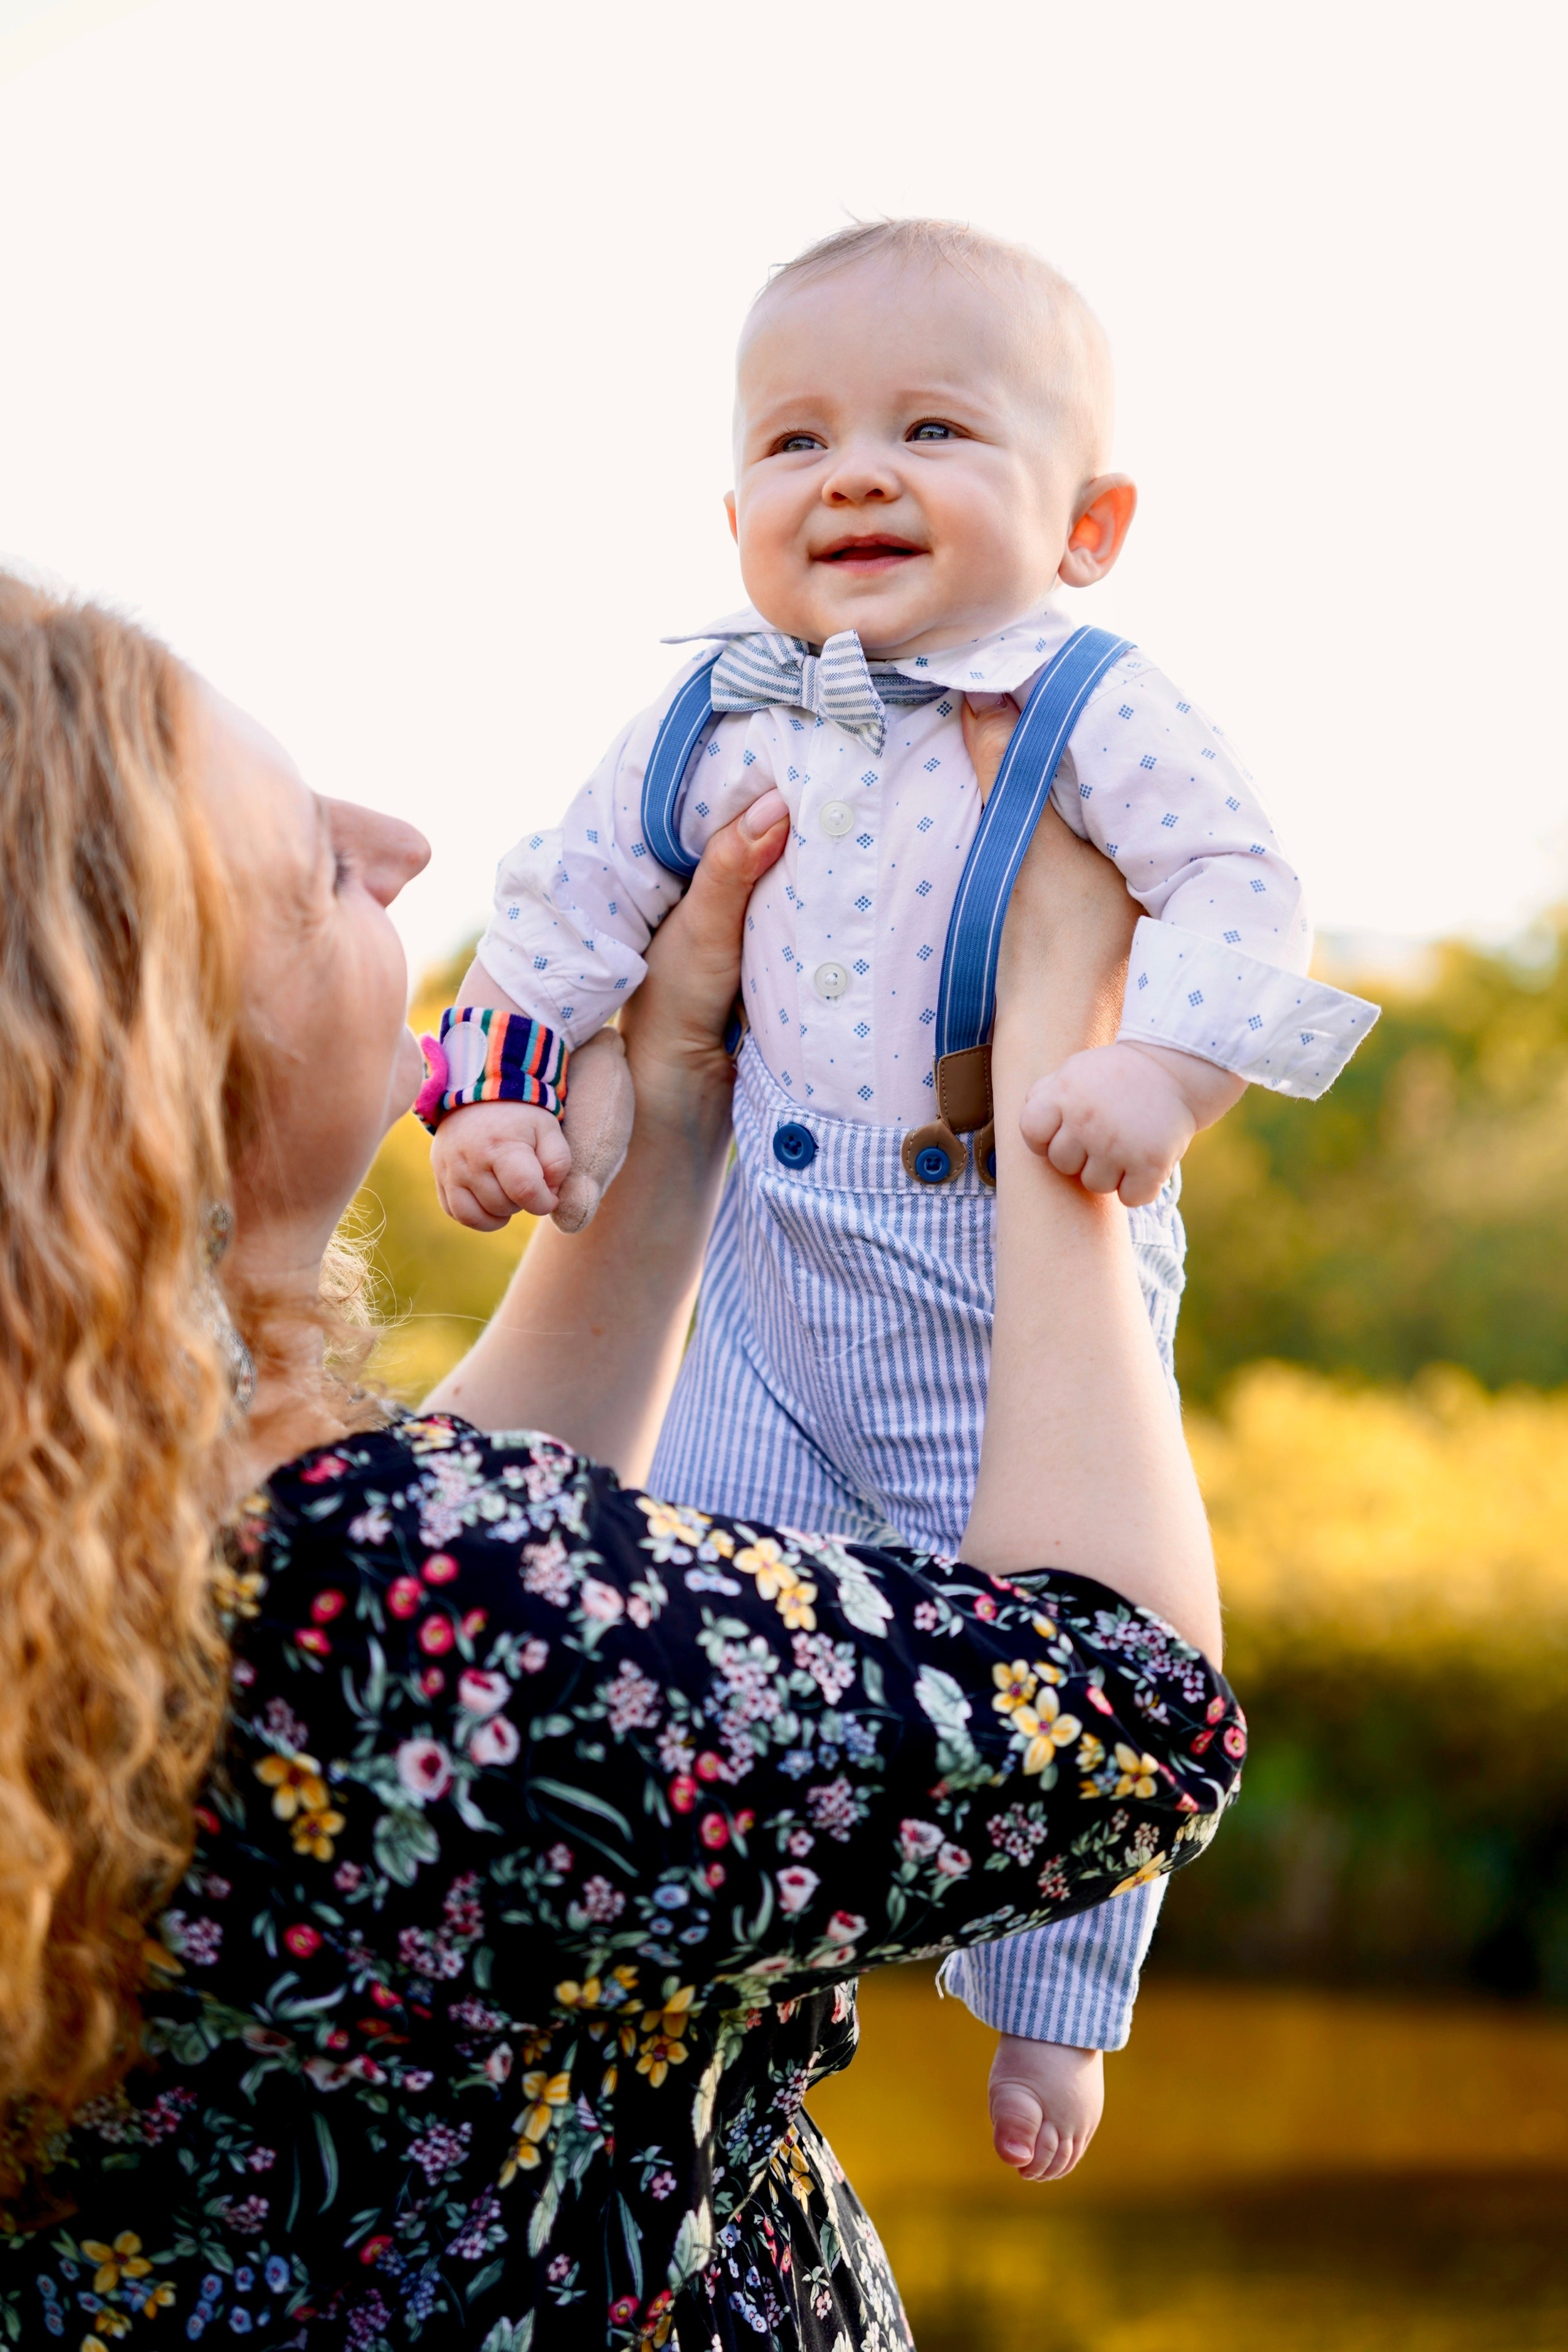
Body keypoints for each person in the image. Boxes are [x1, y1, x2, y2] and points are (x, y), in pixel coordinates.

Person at [0, 575, 1238, 2351]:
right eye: (306, 876)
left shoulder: (134, 1542)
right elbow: (1121, 1710)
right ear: (134, 1064)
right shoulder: (399, 1610)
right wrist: (1047, 1063)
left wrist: (662, 1111)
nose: (402, 844)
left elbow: (456, 1613)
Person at [422, 216, 1372, 2163]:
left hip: (983, 1254)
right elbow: (571, 904)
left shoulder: (1094, 697)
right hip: (769, 1262)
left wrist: (1157, 1072)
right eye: (797, 443)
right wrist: (503, 1097)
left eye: (932, 429)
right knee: (696, 1588)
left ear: (1088, 520)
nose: (853, 472)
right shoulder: (704, 710)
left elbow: (1239, 882)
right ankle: (734, 1967)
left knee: (1071, 1641)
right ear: (735, 508)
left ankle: (1053, 2011)